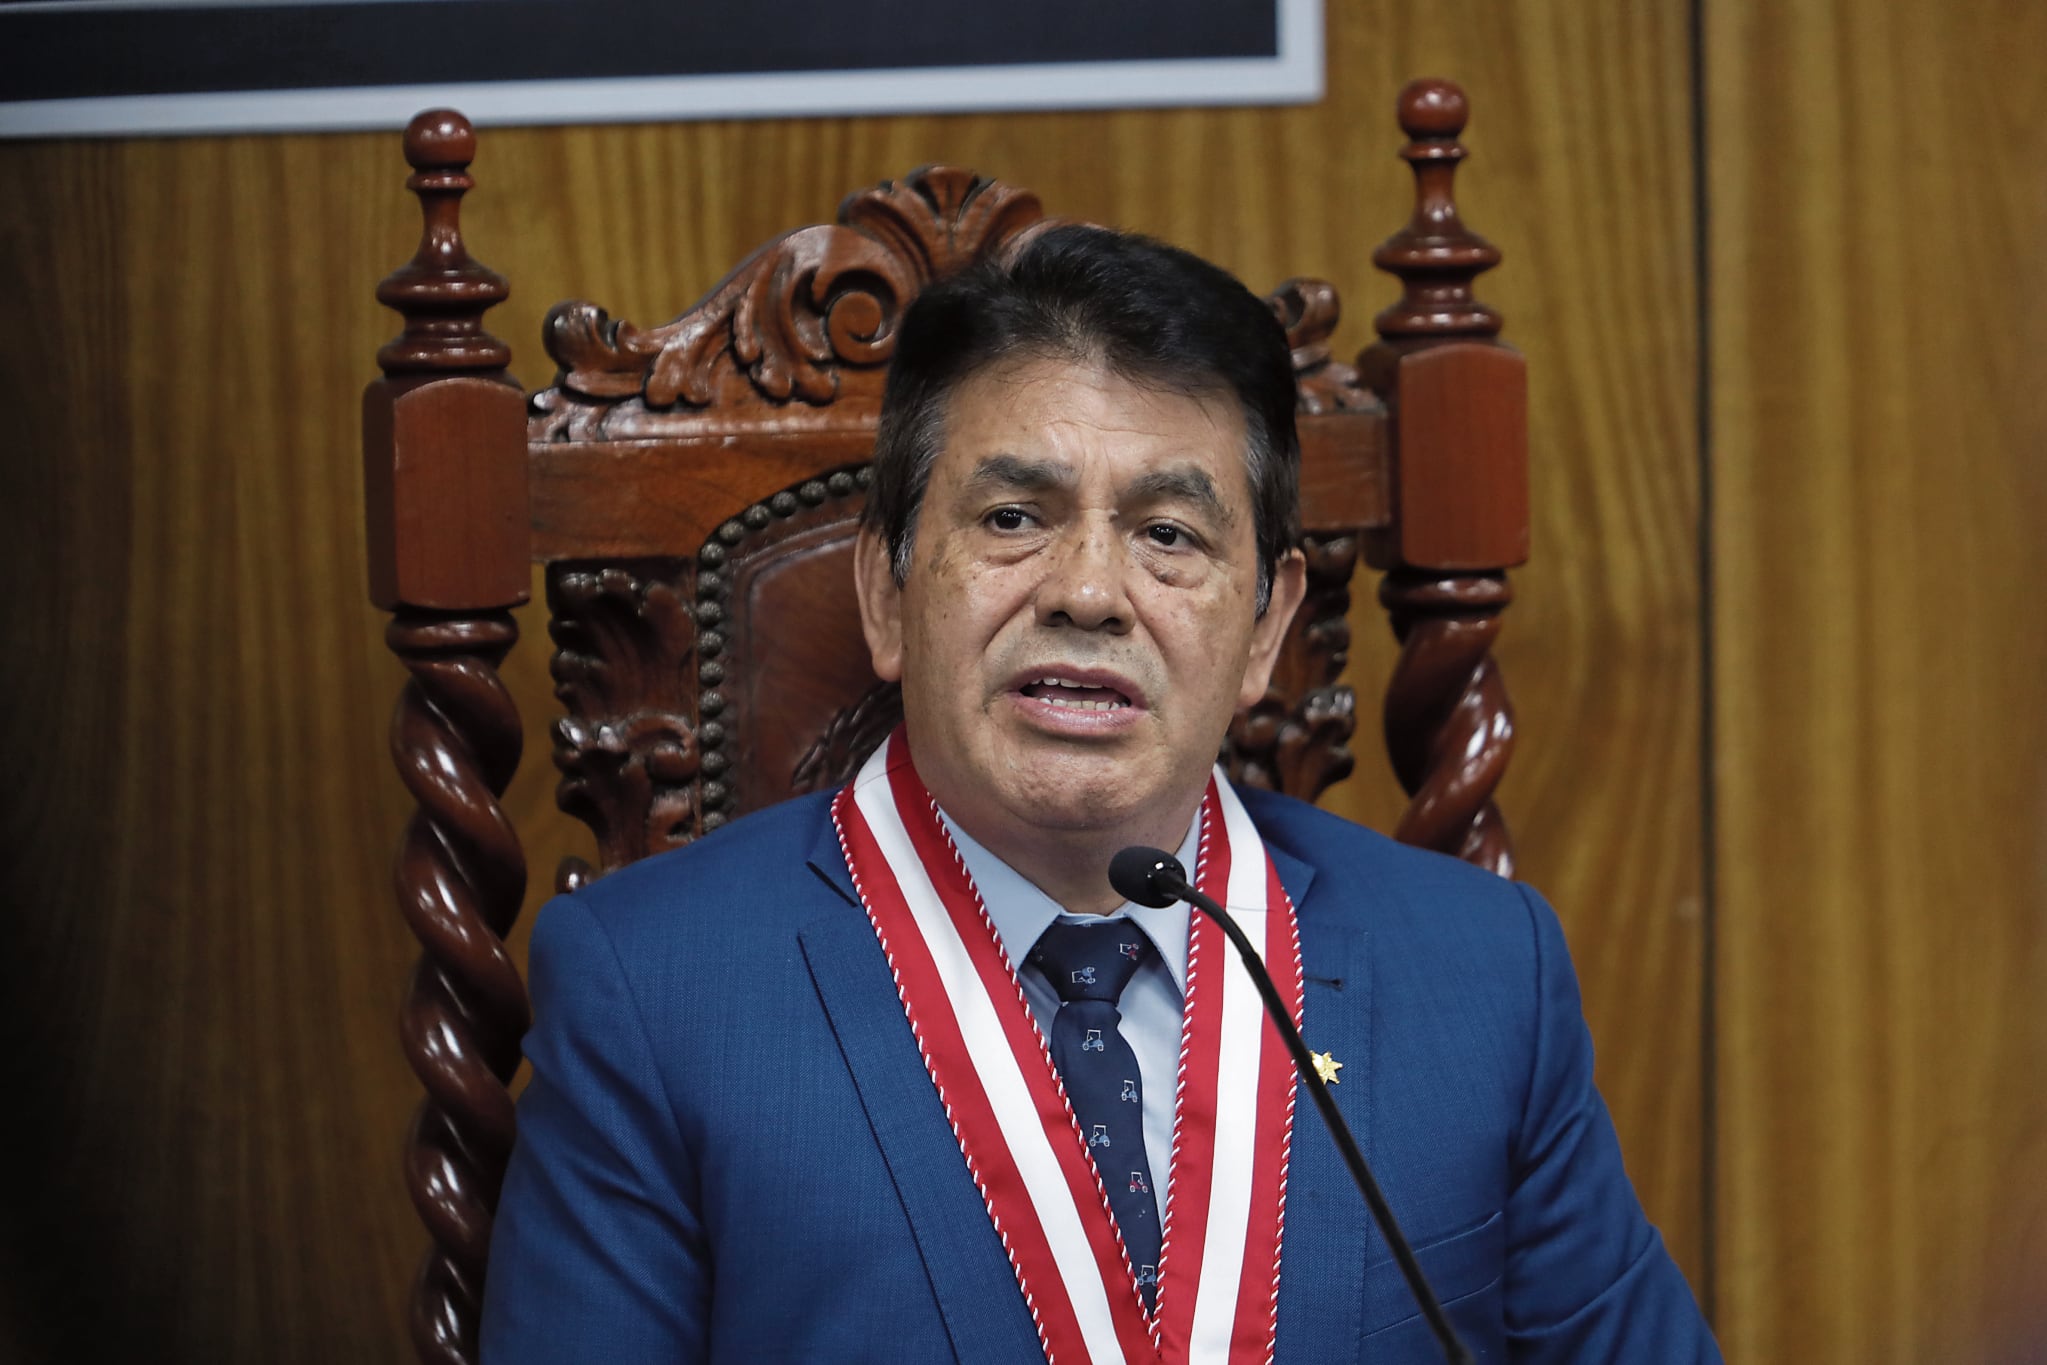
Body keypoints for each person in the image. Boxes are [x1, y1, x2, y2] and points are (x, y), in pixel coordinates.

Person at [479, 225, 1720, 1363]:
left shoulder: (1482, 975)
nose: (1086, 593)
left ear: (1266, 629)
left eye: (1168, 535)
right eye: (1014, 517)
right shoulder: (652, 997)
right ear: (885, 593)